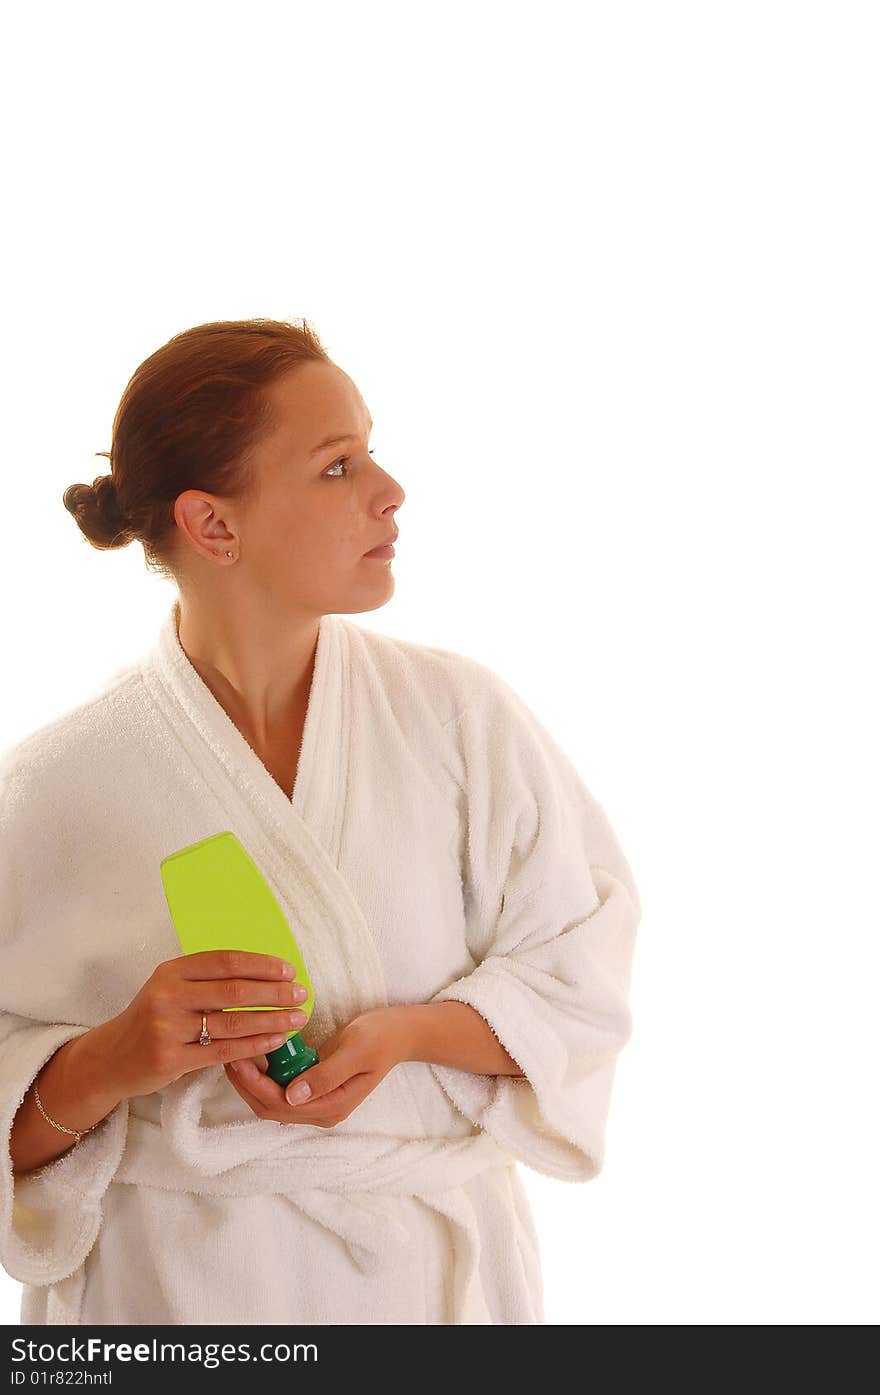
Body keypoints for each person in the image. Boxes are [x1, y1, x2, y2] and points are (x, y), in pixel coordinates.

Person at [0, 317, 641, 1325]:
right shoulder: (51, 790)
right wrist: (118, 1054)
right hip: (172, 1297)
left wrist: (410, 1033)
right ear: (214, 526)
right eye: (338, 466)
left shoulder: (460, 720)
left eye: (371, 451)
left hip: (430, 1283)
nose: (389, 492)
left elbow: (582, 979)